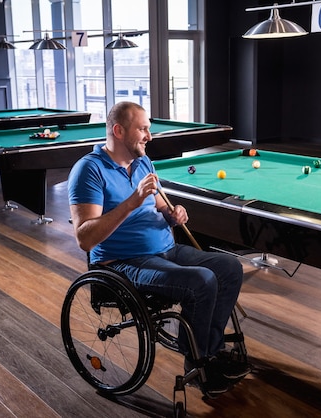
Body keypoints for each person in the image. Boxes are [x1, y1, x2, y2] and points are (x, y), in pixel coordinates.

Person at [67, 101, 250, 397]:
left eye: (149, 129)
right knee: (201, 281)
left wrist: (174, 212)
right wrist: (132, 201)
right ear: (118, 130)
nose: (149, 136)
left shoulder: (143, 162)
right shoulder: (89, 170)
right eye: (143, 129)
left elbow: (161, 205)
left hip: (167, 249)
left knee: (230, 268)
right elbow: (85, 239)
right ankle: (199, 362)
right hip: (123, 262)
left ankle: (209, 350)